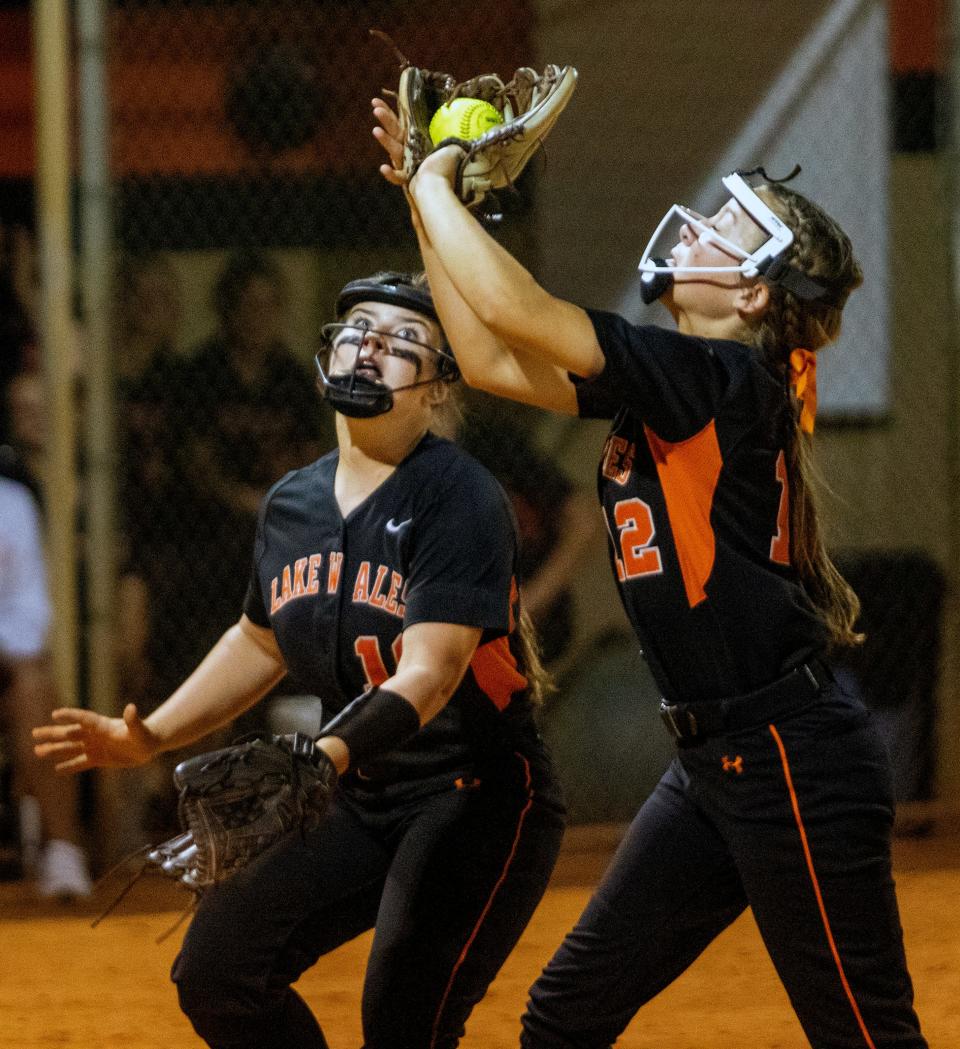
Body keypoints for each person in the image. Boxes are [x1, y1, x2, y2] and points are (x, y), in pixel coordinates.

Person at [371, 102, 927, 1048]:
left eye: (732, 234)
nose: (703, 230)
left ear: (755, 297)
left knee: (867, 1037)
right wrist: (433, 210)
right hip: (717, 762)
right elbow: (489, 356)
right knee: (563, 1019)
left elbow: (518, 311)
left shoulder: (718, 375)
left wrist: (437, 176)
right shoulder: (693, 378)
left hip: (792, 756)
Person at [34, 271, 566, 1049]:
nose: (370, 348)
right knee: (216, 974)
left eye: (401, 342)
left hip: (475, 796)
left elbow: (432, 671)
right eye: (357, 331)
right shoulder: (292, 503)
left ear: (438, 388)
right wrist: (153, 735)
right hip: (353, 787)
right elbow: (259, 638)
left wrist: (324, 755)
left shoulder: (460, 497)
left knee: (401, 1025)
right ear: (326, 354)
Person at [0, 470, 92, 898]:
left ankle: (64, 852)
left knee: (36, 685)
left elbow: (30, 615)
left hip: (4, 659)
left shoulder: (11, 501)